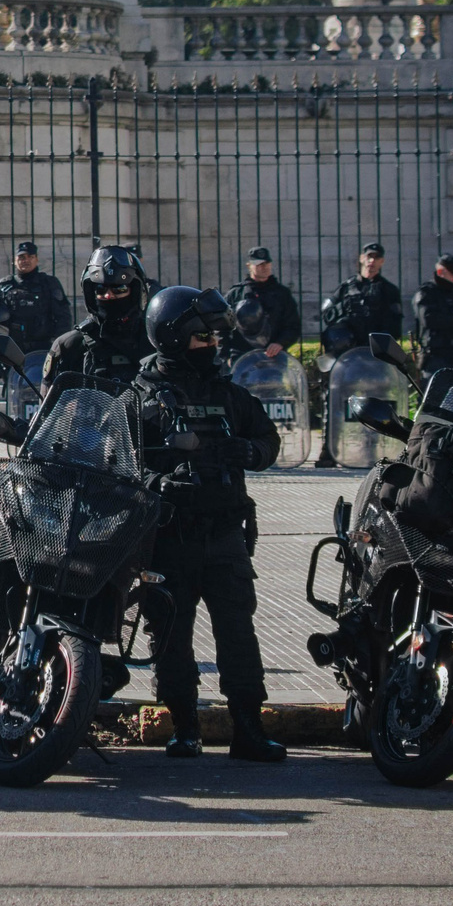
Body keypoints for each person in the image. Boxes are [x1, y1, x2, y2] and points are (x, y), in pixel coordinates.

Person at [130, 285, 286, 762]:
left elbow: (268, 440)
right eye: (203, 339)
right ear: (175, 339)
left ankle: (248, 729)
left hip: (223, 536)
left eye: (214, 339)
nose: (212, 346)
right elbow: (118, 460)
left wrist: (252, 452)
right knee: (171, 639)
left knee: (238, 636)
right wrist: (158, 482)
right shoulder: (139, 399)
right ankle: (184, 728)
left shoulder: (229, 394)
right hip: (168, 539)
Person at [314, 242, 416, 465]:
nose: (371, 261)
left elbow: (394, 330)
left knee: (378, 406)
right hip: (347, 359)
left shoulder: (389, 291)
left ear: (382, 261)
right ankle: (329, 452)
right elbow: (327, 315)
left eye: (376, 257)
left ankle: (374, 452)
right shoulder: (346, 287)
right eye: (368, 257)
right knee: (334, 402)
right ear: (361, 258)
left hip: (373, 359)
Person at [46, 244, 152, 391]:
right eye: (101, 289)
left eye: (119, 289)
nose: (109, 295)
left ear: (134, 292)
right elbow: (49, 409)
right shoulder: (70, 346)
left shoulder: (155, 342)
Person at [0, 241, 74, 365]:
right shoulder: (5, 285)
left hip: (42, 347)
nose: (26, 260)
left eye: (31, 257)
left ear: (37, 260)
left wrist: (57, 344)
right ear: (14, 260)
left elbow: (63, 317)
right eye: (22, 257)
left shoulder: (49, 283)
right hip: (13, 348)